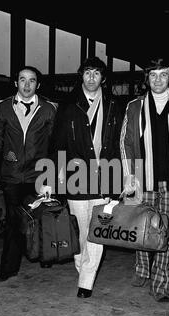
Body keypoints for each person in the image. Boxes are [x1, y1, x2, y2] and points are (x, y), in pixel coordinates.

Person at [120, 58, 169, 303]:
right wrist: (128, 177)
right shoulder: (135, 106)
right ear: (147, 79)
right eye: (153, 75)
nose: (157, 80)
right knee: (143, 229)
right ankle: (142, 269)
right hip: (143, 180)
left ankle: (161, 285)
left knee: (168, 233)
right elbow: (126, 142)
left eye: (163, 75)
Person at [50, 57, 122, 298]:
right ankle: (82, 268)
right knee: (80, 230)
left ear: (103, 77)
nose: (92, 78)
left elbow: (120, 146)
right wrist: (53, 180)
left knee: (97, 230)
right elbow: (57, 145)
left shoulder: (113, 104)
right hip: (76, 175)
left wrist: (121, 180)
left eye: (97, 73)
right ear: (81, 76)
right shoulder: (68, 105)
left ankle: (86, 281)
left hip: (105, 174)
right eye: (88, 73)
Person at [0, 65, 56, 282]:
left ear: (38, 84)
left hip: (38, 175)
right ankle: (8, 268)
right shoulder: (3, 108)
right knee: (14, 223)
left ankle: (46, 256)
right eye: (22, 80)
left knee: (42, 218)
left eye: (32, 80)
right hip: (12, 175)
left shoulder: (48, 109)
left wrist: (50, 176)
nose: (26, 85)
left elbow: (53, 145)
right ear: (16, 83)